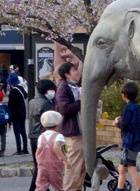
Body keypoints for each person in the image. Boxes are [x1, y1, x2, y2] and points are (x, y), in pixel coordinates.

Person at [55, 62, 85, 191]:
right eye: (74, 70)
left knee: (81, 168)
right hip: (72, 132)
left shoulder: (74, 86)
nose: (77, 72)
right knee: (74, 167)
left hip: (79, 130)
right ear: (67, 74)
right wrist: (81, 101)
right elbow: (65, 109)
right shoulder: (63, 88)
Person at [113, 82, 140, 191]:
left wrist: (117, 122)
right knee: (121, 168)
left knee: (131, 168)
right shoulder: (138, 108)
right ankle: (119, 188)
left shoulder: (127, 108)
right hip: (136, 142)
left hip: (128, 143)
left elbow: (125, 125)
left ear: (124, 95)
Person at [28, 79, 57, 191]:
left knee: (38, 164)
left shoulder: (32, 101)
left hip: (33, 135)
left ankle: (42, 188)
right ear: (47, 90)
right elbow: (52, 120)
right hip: (43, 136)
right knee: (42, 166)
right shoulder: (46, 104)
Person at [35, 111, 71, 191]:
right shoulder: (59, 136)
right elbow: (56, 148)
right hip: (55, 166)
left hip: (42, 166)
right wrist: (65, 161)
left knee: (41, 186)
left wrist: (38, 162)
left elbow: (37, 152)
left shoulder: (41, 136)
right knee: (59, 186)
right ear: (58, 125)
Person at [8, 73, 29, 155]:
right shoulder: (21, 89)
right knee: (23, 131)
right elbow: (26, 96)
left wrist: (10, 118)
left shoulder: (13, 92)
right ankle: (25, 149)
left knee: (17, 132)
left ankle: (19, 149)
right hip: (23, 113)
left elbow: (10, 106)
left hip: (15, 114)